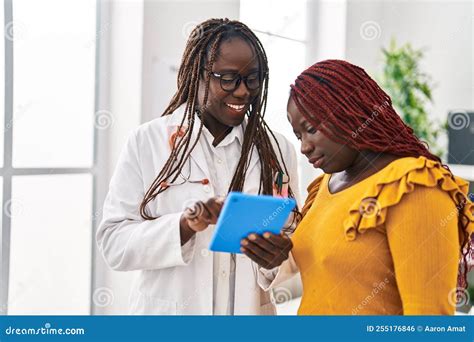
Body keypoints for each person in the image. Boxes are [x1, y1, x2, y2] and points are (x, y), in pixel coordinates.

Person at [96, 18, 299, 315]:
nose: (243, 92)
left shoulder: (278, 150)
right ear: (198, 76)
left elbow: (293, 234)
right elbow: (114, 244)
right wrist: (184, 226)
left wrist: (277, 259)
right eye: (228, 79)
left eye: (252, 79)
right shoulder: (147, 142)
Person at [280, 59, 473, 315]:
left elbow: (429, 320)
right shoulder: (325, 185)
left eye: (312, 129)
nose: (304, 147)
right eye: (298, 136)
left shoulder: (415, 185)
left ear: (351, 112)